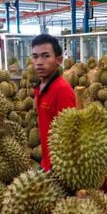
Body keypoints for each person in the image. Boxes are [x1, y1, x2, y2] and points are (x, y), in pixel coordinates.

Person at [31, 34, 76, 171]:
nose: (39, 61)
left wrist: (58, 170)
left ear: (59, 60)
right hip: (47, 163)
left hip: (59, 168)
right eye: (35, 56)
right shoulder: (39, 87)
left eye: (45, 56)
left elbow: (70, 136)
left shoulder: (62, 90)